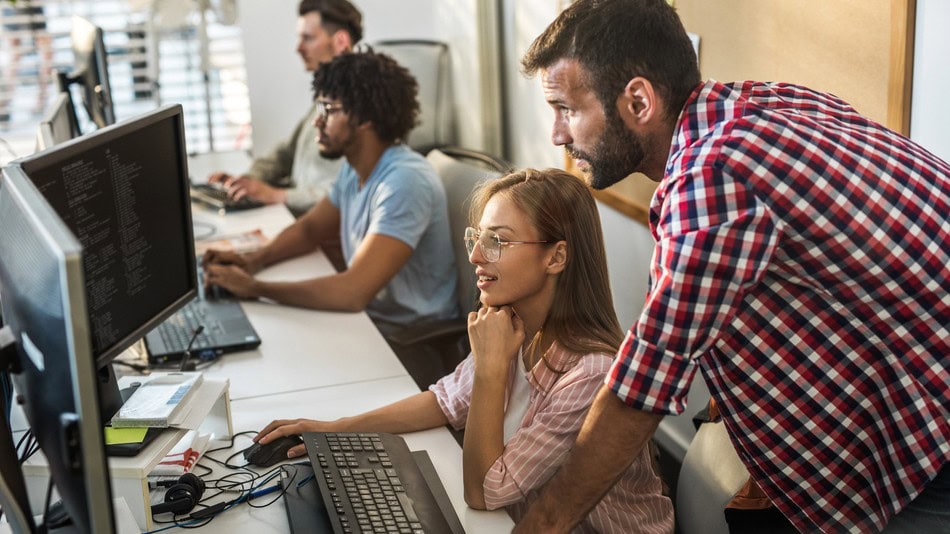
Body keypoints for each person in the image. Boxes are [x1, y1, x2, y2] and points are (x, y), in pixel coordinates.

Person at [514, 0, 950, 533]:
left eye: (567, 108)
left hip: (931, 442)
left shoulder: (712, 176)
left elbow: (641, 388)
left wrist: (541, 524)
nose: (558, 134)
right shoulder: (756, 102)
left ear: (638, 100)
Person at [254, 168, 675, 533]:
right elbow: (445, 401)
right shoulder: (514, 323)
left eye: (498, 241)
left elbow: (484, 491)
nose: (475, 255)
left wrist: (493, 368)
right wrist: (335, 429)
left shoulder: (589, 372)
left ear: (556, 257)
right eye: (477, 237)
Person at [203, 49, 458, 332]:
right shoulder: (355, 167)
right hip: (371, 323)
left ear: (365, 118)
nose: (317, 121)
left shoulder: (405, 181)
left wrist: (255, 288)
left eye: (329, 109)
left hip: (409, 339)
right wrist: (251, 261)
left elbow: (352, 292)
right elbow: (310, 229)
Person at [206, 0, 362, 216]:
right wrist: (248, 180)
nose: (298, 48)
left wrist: (276, 195)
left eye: (308, 38)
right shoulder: (325, 93)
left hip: (324, 226)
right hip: (301, 218)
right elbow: (287, 151)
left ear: (341, 41)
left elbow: (348, 189)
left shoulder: (361, 102)